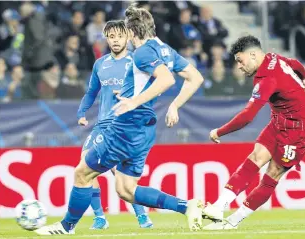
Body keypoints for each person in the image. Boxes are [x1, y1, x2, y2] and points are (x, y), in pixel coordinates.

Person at [35, 4, 205, 235]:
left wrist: (133, 102)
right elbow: (195, 77)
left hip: (126, 126)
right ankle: (187, 207)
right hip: (144, 130)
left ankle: (66, 227)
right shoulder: (164, 49)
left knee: (82, 173)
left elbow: (166, 80)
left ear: (132, 33)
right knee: (126, 189)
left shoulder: (142, 52)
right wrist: (174, 105)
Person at [202, 35, 305, 230]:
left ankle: (232, 222)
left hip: (301, 129)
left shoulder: (267, 79)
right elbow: (295, 63)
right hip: (281, 119)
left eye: (241, 60)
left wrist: (219, 132)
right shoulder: (273, 57)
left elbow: (248, 116)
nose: (239, 66)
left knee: (272, 173)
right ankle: (218, 207)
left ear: (254, 54)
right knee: (256, 156)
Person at [76, 20, 153, 230]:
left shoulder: (137, 62)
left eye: (120, 36)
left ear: (127, 37)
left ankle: (141, 215)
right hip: (102, 125)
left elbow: (153, 88)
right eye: (111, 36)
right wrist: (82, 111)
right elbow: (92, 92)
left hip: (125, 126)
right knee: (85, 165)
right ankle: (100, 217)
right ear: (106, 39)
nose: (116, 40)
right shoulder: (100, 64)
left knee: (121, 176)